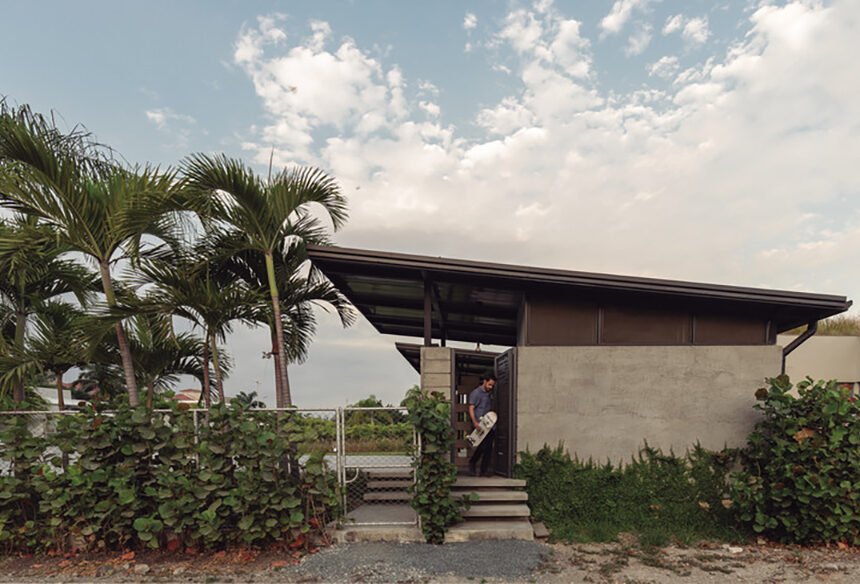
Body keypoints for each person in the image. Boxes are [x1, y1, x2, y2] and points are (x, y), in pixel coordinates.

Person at [468, 373, 496, 476]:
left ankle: (483, 471)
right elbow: (471, 408)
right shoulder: (476, 393)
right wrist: (475, 422)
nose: (491, 387)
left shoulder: (489, 393)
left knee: (489, 448)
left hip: (489, 425)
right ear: (484, 381)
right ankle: (472, 462)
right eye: (489, 384)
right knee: (482, 446)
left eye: (492, 385)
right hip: (479, 425)